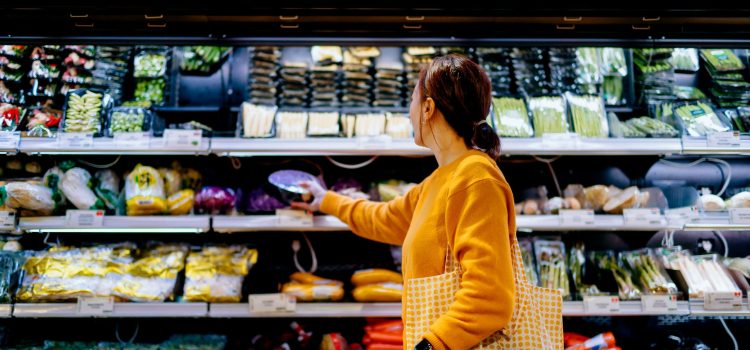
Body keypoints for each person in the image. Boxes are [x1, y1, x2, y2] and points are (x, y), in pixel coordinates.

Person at [294, 54, 516, 350]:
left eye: (412, 101)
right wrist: (327, 201)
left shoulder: (476, 178)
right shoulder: (439, 181)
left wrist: (431, 344)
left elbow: (490, 298)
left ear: (428, 108)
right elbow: (384, 218)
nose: (408, 113)